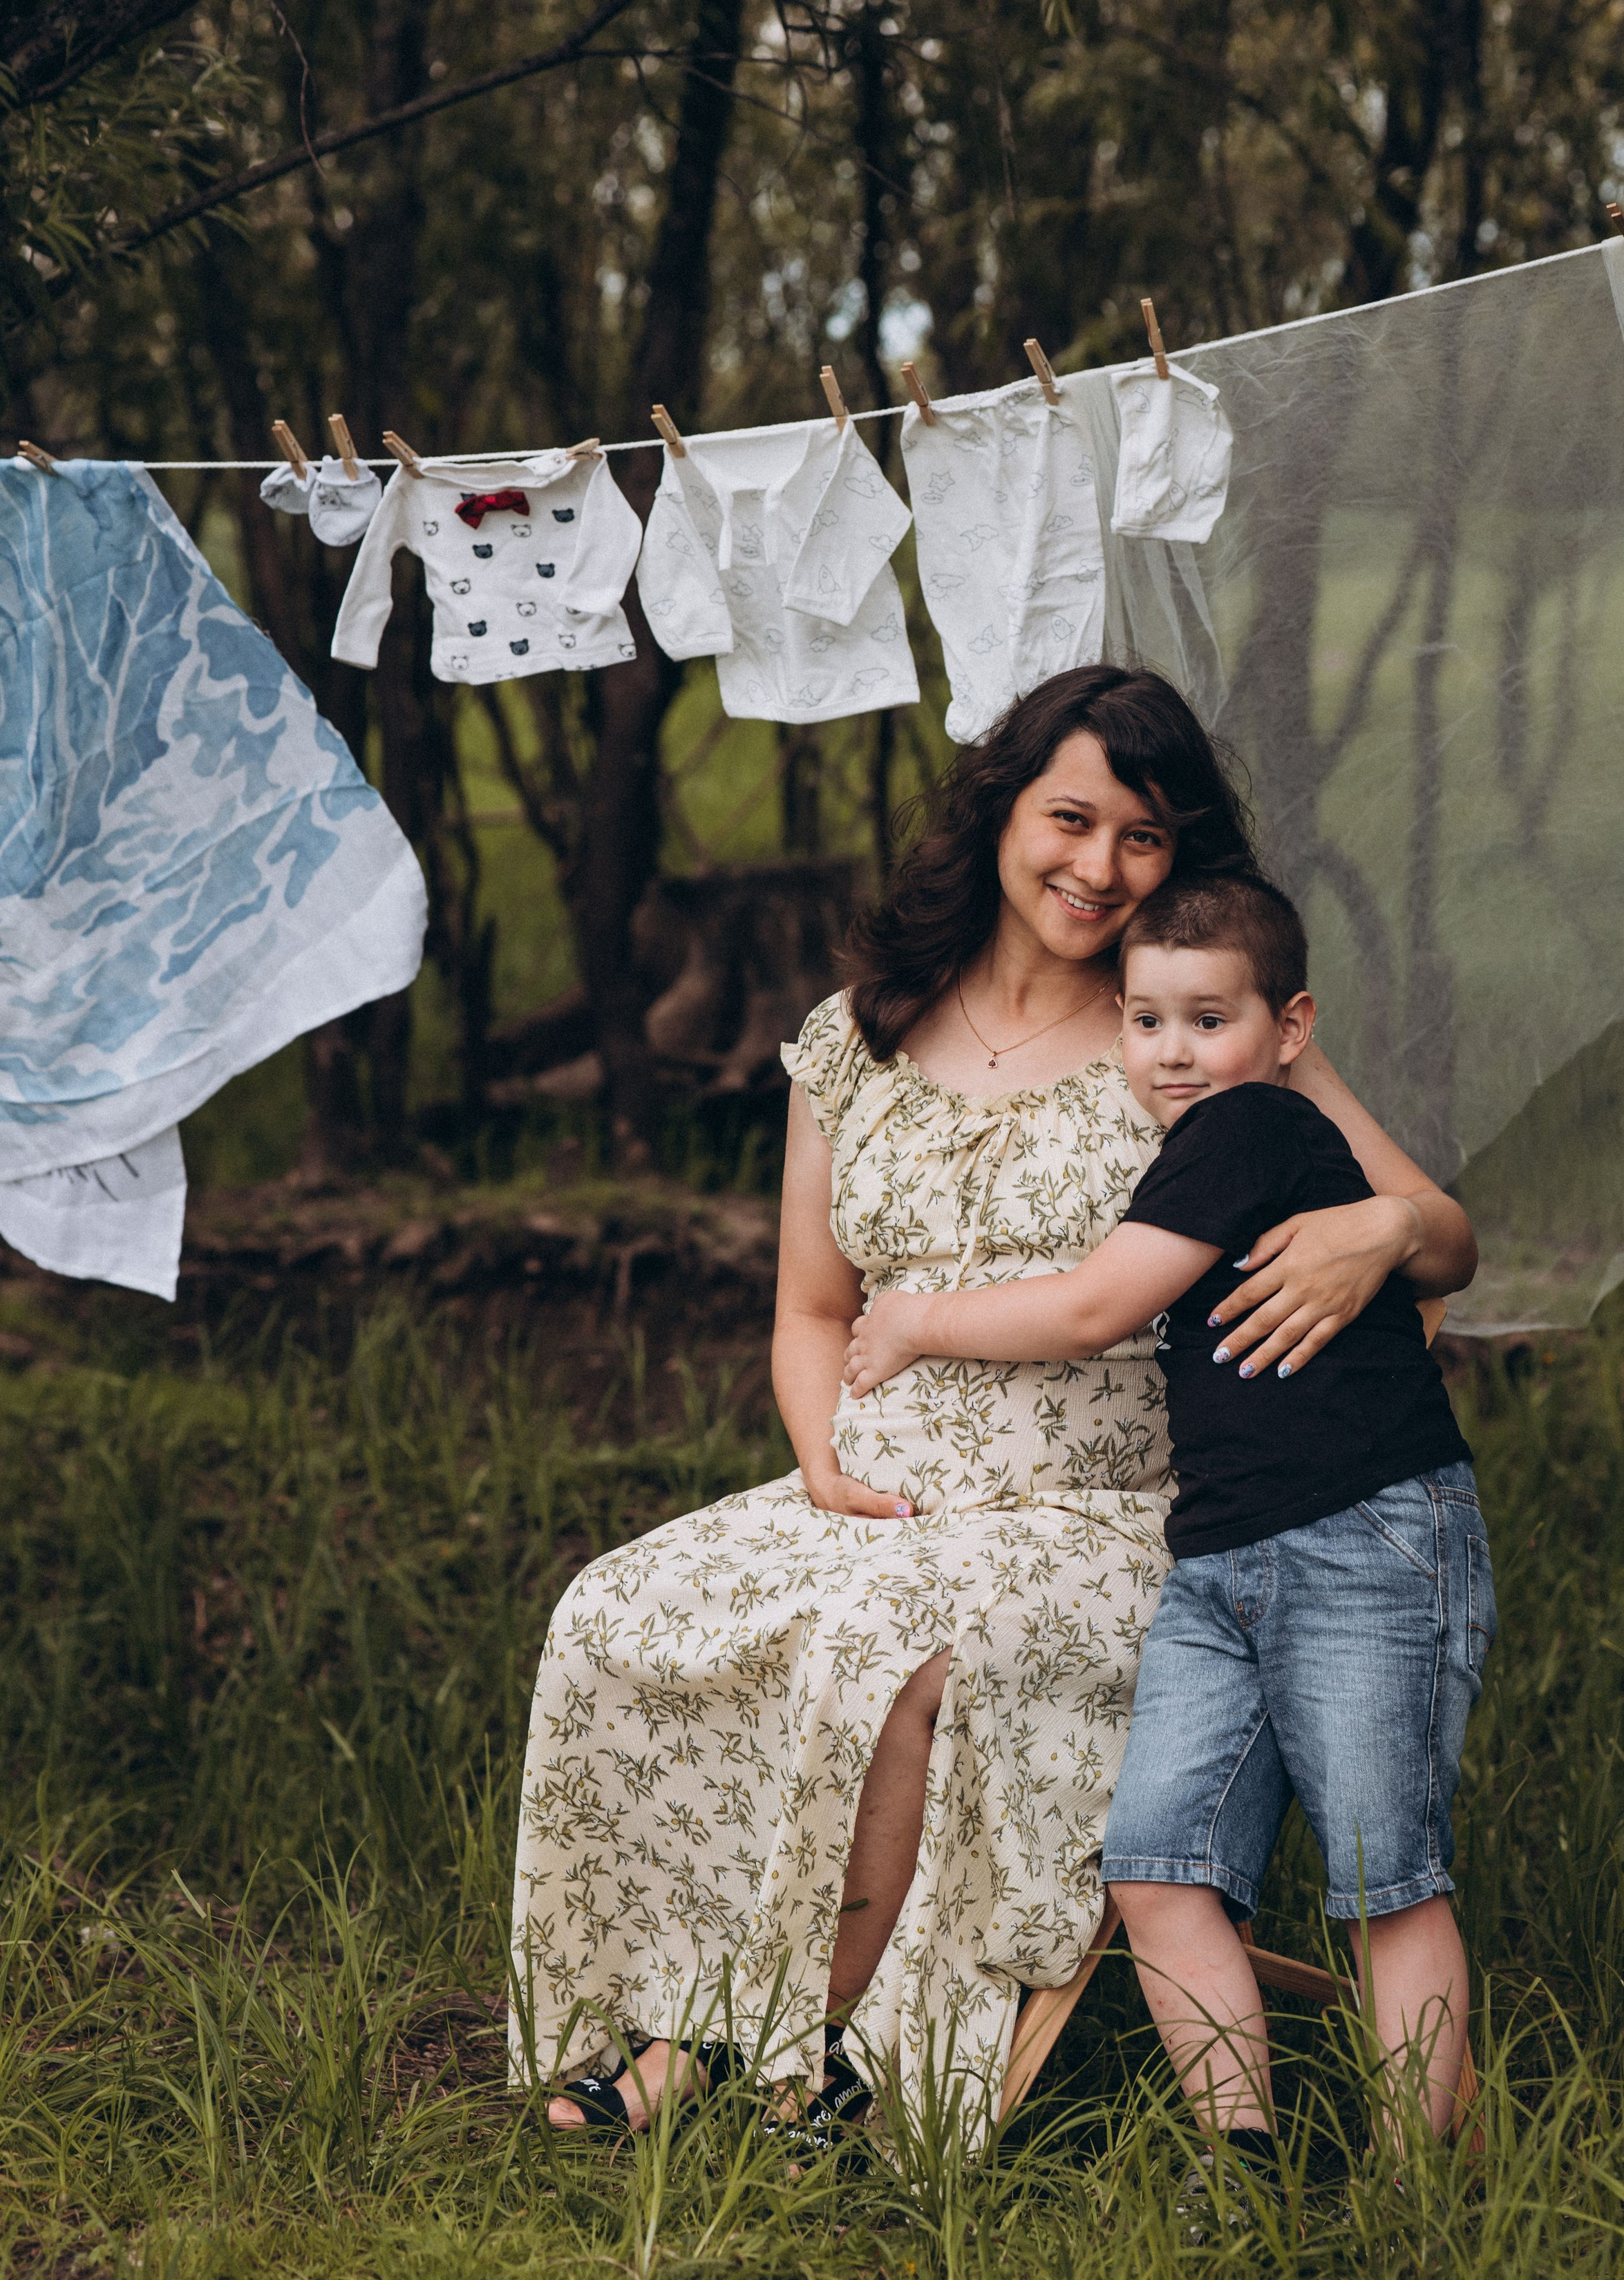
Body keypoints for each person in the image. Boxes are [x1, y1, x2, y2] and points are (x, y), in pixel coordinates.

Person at [509, 663, 1477, 2147]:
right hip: (877, 1475)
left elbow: (1441, 1233)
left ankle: (777, 2056)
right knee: (616, 1610)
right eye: (1070, 819)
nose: (1099, 868)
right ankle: (665, 2012)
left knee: (891, 1654)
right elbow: (811, 1310)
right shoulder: (858, 1036)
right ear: (1000, 813)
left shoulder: (1184, 1023)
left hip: (1111, 1505)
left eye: (1142, 838)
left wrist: (1388, 1231)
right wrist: (816, 1463)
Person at [843, 870, 1494, 2160]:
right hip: (1219, 1560)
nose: (1174, 1053)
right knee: (1155, 1864)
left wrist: (916, 1320)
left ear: (1288, 1029)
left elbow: (1092, 1308)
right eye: (1147, 1023)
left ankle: (1434, 2193)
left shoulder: (1253, 1125)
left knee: (1383, 1879)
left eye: (1209, 1020)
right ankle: (1242, 2156)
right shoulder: (1211, 1137)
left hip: (1364, 1530)